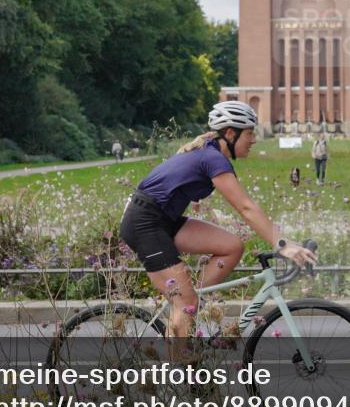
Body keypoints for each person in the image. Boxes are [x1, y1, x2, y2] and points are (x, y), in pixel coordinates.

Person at [119, 101, 317, 339]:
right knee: (185, 303)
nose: (253, 140)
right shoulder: (213, 158)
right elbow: (245, 207)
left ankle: (189, 308)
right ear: (231, 134)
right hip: (145, 224)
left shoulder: (209, 153)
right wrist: (282, 244)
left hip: (162, 220)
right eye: (250, 133)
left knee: (231, 246)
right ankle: (177, 370)